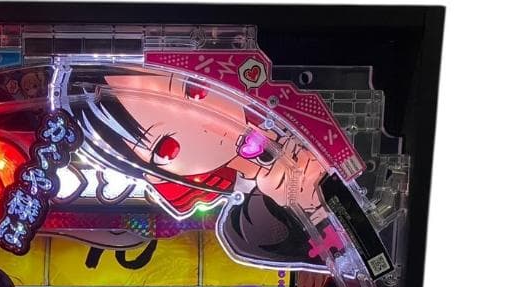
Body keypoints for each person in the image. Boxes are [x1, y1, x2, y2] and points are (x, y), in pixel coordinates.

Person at [62, 66, 331, 268]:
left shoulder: (271, 85)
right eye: (166, 147)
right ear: (157, 179)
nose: (206, 129)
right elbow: (340, 253)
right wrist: (314, 208)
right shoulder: (249, 226)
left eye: (194, 90)